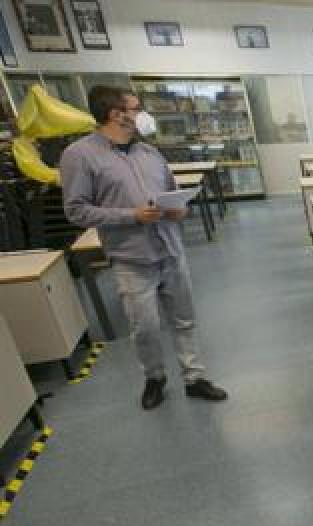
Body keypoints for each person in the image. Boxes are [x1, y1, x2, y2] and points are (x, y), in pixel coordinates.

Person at [61, 85, 228, 410]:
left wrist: (180, 208)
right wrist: (131, 216)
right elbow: (76, 210)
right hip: (131, 258)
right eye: (137, 108)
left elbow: (172, 191)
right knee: (145, 326)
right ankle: (155, 377)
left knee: (184, 318)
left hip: (170, 249)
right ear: (116, 114)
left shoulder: (149, 152)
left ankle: (195, 377)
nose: (143, 114)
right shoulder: (80, 156)